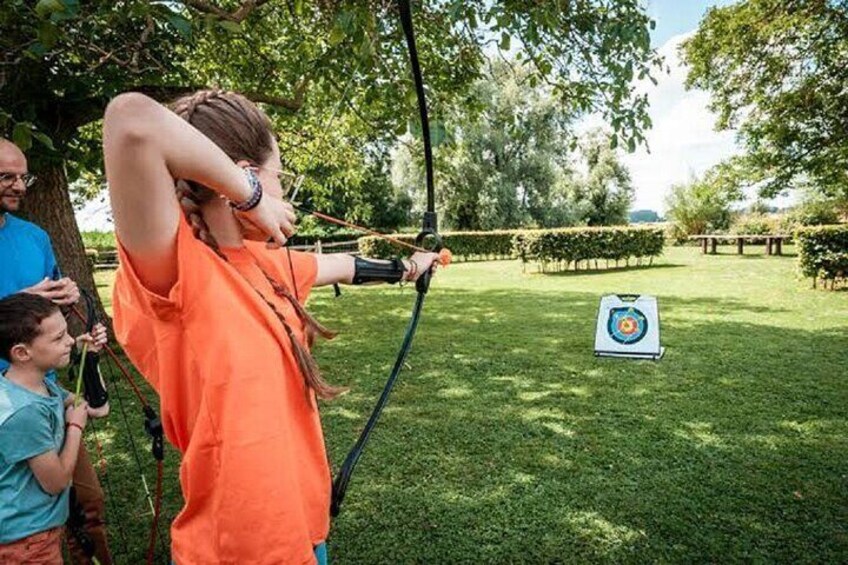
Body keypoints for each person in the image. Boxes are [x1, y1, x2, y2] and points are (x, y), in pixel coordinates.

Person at [102, 89, 440, 564]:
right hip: (236, 549)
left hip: (304, 533)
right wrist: (253, 196)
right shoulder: (175, 271)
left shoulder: (264, 263)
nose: (283, 194)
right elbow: (131, 121)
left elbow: (343, 266)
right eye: (279, 178)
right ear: (246, 174)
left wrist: (408, 266)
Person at [0, 137, 113, 565]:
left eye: (22, 176)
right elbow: (22, 309)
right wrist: (16, 299)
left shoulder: (34, 237)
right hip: (8, 410)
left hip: (45, 398)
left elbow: (52, 313)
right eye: (6, 177)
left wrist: (68, 296)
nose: (19, 186)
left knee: (86, 504)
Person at [0, 293, 108, 564]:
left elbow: (95, 407)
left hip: (37, 533)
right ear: (22, 353)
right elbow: (57, 482)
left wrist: (89, 358)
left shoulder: (39, 386)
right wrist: (74, 427)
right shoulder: (24, 412)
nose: (70, 340)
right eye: (59, 338)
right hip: (25, 542)